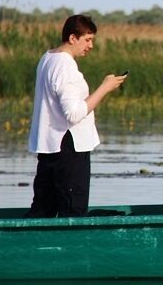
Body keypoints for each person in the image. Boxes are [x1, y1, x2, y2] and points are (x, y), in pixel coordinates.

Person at [26, 15, 127, 217]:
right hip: (68, 147)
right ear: (72, 38)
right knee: (73, 210)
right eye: (87, 40)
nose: (90, 46)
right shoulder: (65, 66)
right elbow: (73, 114)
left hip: (49, 145)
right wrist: (105, 88)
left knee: (43, 209)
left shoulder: (47, 58)